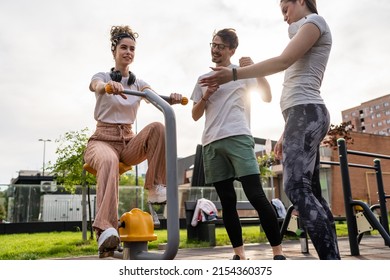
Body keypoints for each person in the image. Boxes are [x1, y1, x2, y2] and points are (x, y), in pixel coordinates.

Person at [199, 0, 340, 260]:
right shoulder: (304, 29)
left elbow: (283, 61)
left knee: (296, 188)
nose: (284, 17)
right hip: (299, 115)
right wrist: (286, 132)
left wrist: (234, 74)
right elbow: (296, 85)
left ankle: (330, 262)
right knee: (314, 195)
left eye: (286, 9)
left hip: (307, 112)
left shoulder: (314, 23)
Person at [84, 25, 182, 258]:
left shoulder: (138, 83)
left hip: (127, 141)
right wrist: (107, 87)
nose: (128, 52)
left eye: (132, 49)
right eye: (124, 48)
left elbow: (153, 96)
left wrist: (172, 99)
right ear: (114, 51)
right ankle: (106, 229)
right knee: (108, 161)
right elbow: (95, 86)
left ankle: (155, 186)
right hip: (102, 139)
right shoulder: (103, 77)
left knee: (158, 127)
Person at [191, 28, 285, 260]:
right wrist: (206, 95)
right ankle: (239, 255)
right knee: (228, 202)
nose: (215, 49)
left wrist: (257, 69)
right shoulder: (203, 79)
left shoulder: (242, 73)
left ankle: (278, 253)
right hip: (211, 143)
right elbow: (194, 115)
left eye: (220, 46)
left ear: (232, 50)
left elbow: (267, 96)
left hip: (239, 137)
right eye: (212, 45)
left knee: (256, 196)